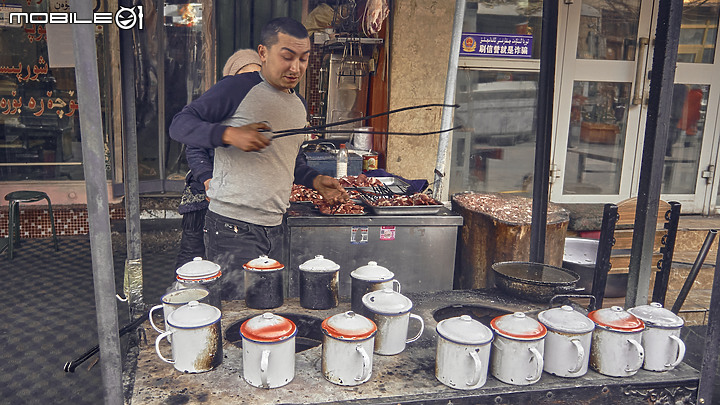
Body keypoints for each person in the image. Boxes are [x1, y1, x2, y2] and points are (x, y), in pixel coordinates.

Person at [169, 17, 347, 300]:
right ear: (263, 53)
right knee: (236, 314)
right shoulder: (237, 88)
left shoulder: (297, 105)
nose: (295, 67)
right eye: (287, 57)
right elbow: (180, 125)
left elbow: (289, 161)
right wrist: (229, 135)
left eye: (303, 59)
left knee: (266, 311)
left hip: (275, 227)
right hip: (233, 228)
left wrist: (315, 180)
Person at [175, 49, 264, 270]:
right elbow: (194, 148)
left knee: (233, 265)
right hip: (204, 197)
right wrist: (207, 179)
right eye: (245, 74)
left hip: (245, 204)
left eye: (256, 75)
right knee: (193, 259)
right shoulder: (219, 104)